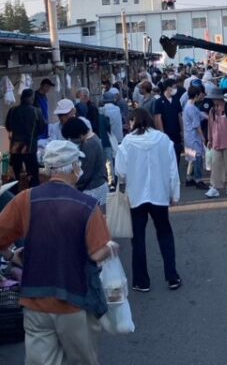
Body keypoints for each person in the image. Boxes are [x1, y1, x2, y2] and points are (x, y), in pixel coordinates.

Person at [0, 140, 111, 365]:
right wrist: (111, 248)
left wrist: (12, 255)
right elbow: (96, 253)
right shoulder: (88, 205)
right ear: (74, 167)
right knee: (81, 360)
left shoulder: (25, 199)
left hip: (35, 300)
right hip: (74, 299)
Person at [115, 109, 182, 292]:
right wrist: (174, 193)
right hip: (159, 194)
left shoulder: (127, 143)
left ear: (133, 122)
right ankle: (172, 275)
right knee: (165, 234)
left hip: (136, 196)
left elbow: (120, 172)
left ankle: (141, 280)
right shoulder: (162, 140)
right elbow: (172, 169)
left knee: (138, 238)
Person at [63, 116, 109, 211]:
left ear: (79, 134)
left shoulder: (89, 144)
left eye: (72, 138)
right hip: (98, 186)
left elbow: (85, 173)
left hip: (94, 189)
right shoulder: (93, 137)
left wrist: (72, 184)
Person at [5, 88, 46, 189]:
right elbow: (41, 129)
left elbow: (8, 126)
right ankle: (33, 197)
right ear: (31, 98)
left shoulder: (12, 111)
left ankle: (13, 197)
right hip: (30, 148)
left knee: (14, 176)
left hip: (15, 148)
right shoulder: (37, 111)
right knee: (33, 176)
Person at [183, 84, 209, 189]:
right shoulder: (191, 108)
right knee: (197, 158)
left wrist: (208, 116)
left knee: (191, 158)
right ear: (197, 95)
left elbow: (200, 114)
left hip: (188, 135)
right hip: (193, 136)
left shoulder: (188, 105)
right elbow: (196, 124)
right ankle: (199, 180)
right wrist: (203, 136)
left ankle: (189, 178)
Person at [152, 79, 184, 160]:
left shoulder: (176, 101)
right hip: (166, 133)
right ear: (168, 88)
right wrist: (162, 133)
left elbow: (179, 116)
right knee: (167, 157)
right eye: (174, 87)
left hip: (176, 134)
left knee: (177, 155)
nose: (175, 89)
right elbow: (158, 118)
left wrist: (182, 131)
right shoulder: (159, 102)